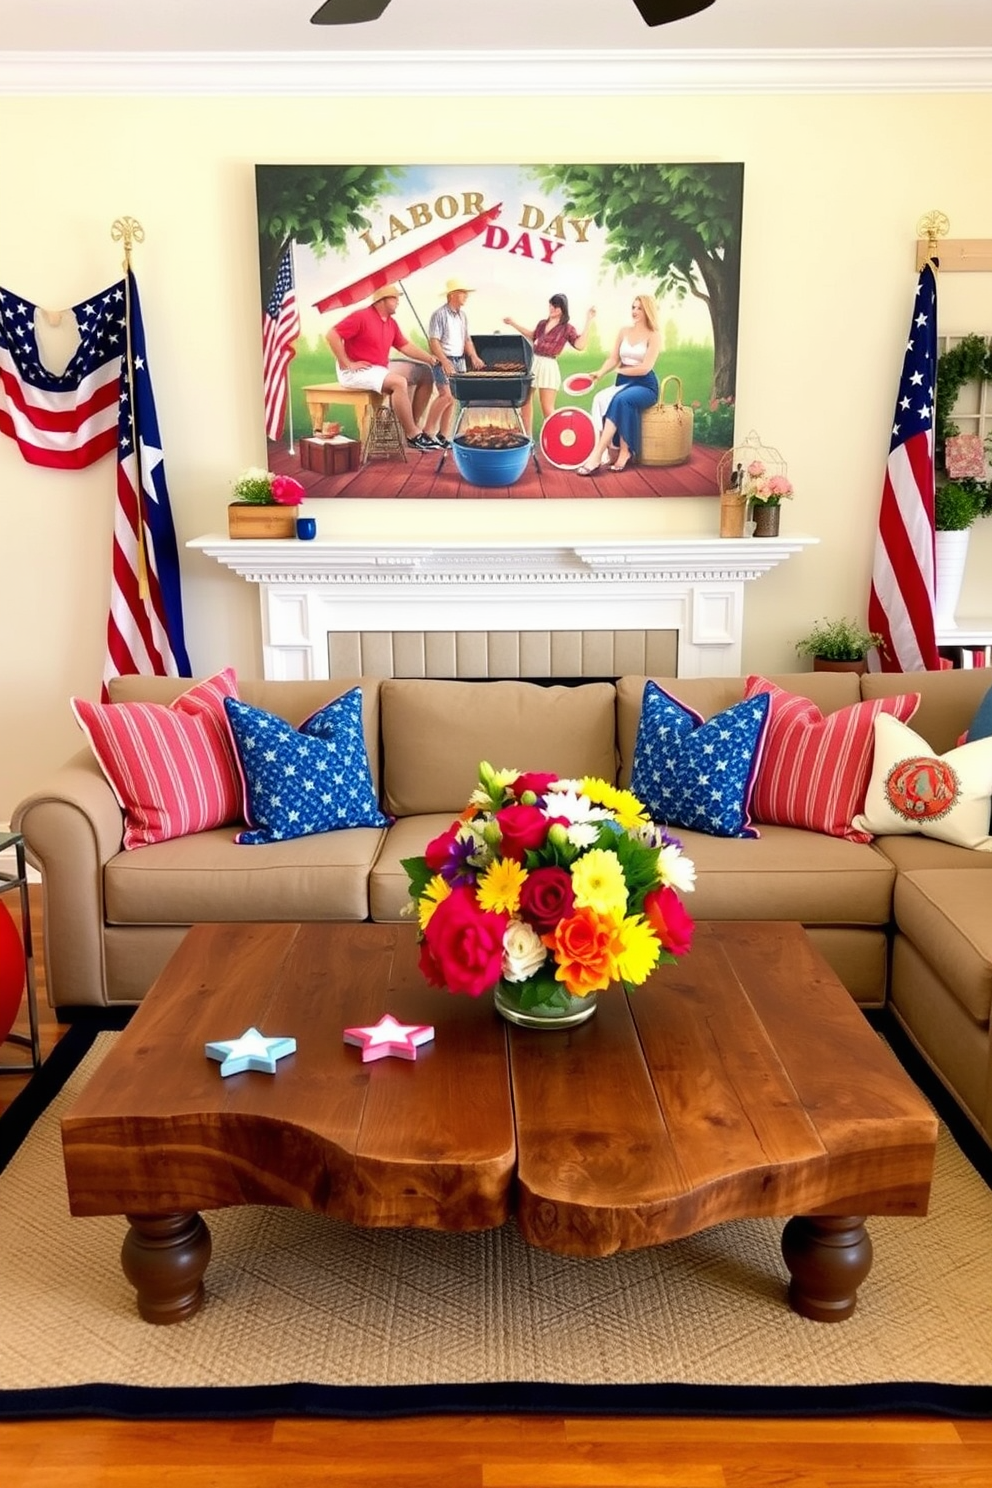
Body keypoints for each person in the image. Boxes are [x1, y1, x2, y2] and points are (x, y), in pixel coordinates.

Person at [325, 284, 439, 453]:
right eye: (394, 298)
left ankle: (413, 426)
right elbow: (332, 334)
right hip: (355, 372)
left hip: (377, 368)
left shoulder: (391, 323)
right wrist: (346, 362)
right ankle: (413, 436)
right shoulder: (361, 316)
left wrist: (430, 358)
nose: (398, 302)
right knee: (399, 382)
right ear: (381, 300)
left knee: (424, 373)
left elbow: (405, 346)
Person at [576, 294, 662, 476]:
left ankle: (599, 455)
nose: (635, 311)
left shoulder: (654, 336)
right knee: (602, 398)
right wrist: (599, 373)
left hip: (645, 385)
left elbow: (645, 368)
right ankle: (618, 449)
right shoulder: (624, 331)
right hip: (624, 383)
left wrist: (621, 371)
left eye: (639, 308)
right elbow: (614, 358)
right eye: (633, 307)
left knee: (621, 400)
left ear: (648, 310)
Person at [503, 294, 595, 437]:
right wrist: (513, 323)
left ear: (562, 309)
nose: (552, 308)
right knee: (525, 401)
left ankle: (558, 437)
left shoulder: (567, 328)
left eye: (555, 306)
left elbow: (580, 345)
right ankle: (527, 436)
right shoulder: (542, 324)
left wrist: (589, 320)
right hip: (534, 362)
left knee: (547, 407)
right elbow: (532, 336)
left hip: (549, 365)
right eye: (551, 305)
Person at [422, 277, 485, 448]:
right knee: (445, 395)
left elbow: (467, 340)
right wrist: (444, 361)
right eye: (463, 293)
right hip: (444, 360)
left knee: (453, 399)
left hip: (459, 360)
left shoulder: (462, 316)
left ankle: (443, 435)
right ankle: (427, 433)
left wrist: (474, 356)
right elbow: (434, 341)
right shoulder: (439, 314)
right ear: (452, 295)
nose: (466, 296)